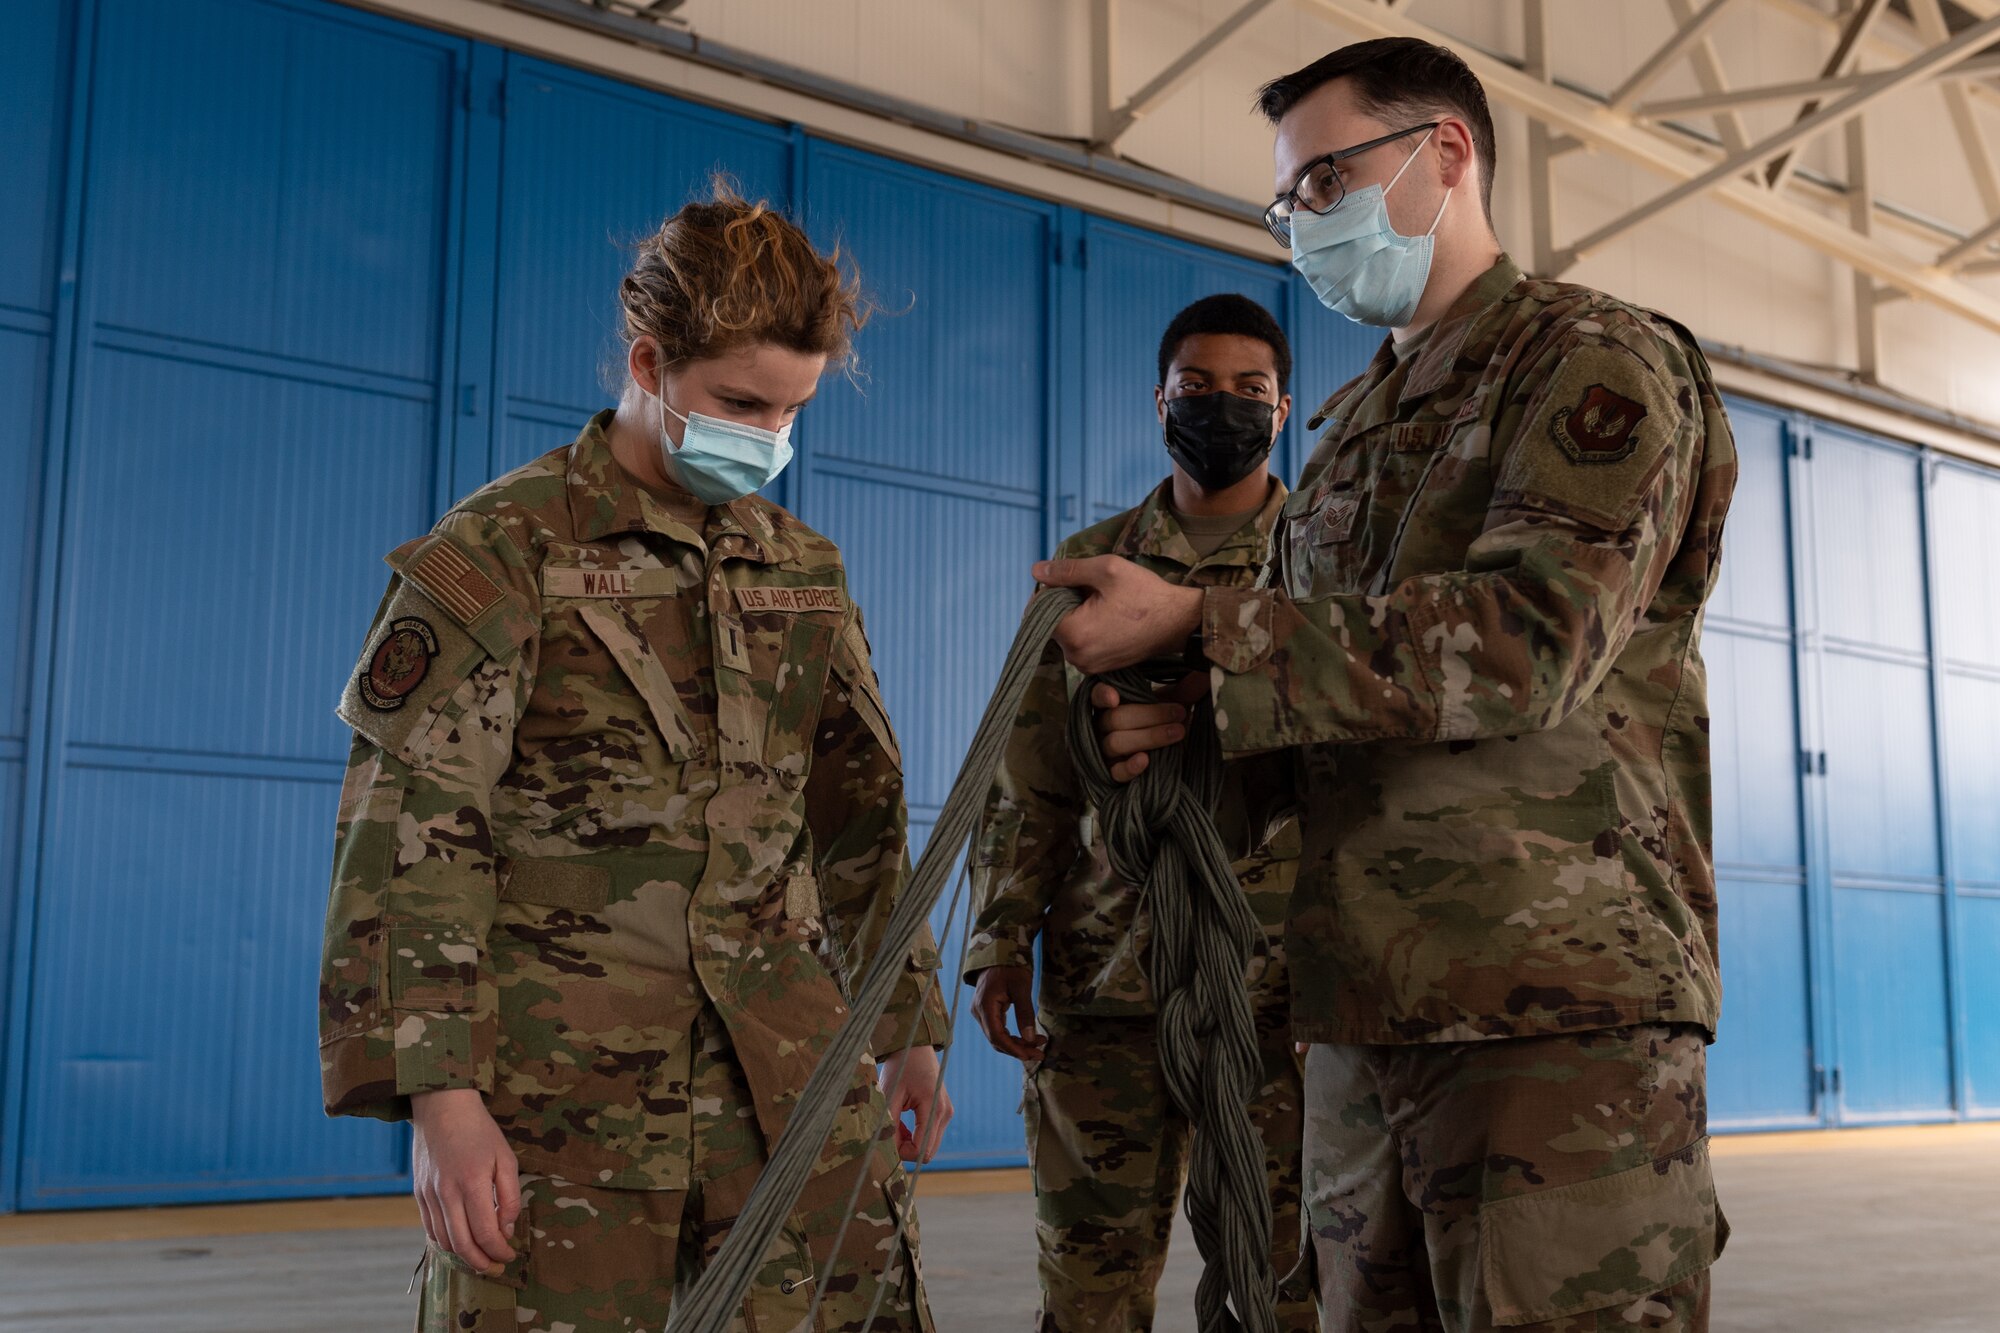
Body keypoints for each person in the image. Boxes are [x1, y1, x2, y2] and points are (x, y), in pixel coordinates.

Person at [1035, 38, 1737, 1333]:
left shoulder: (1591, 363)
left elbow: (1535, 641)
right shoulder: (1356, 428)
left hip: (1550, 1011)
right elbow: (1340, 712)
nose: (1304, 219)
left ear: (1444, 155)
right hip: (1360, 1012)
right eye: (1289, 198)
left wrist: (1208, 624)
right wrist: (1191, 728)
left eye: (1324, 180)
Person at [317, 184, 952, 1332]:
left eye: (790, 412)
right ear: (649, 361)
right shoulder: (501, 553)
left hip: (790, 1083)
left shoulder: (801, 565)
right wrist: (441, 1099)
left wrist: (905, 1027)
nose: (765, 439)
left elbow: (860, 814)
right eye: (739, 403)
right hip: (567, 1106)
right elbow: (412, 830)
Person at [966, 294, 1315, 1333]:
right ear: (1157, 404)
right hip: (1105, 985)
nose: (1222, 409)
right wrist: (997, 940)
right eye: (1196, 388)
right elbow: (1026, 772)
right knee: (1087, 1290)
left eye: (1248, 391)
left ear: (1284, 408)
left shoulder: (1322, 567)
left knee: (1276, 1287)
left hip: (1274, 1002)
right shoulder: (1090, 566)